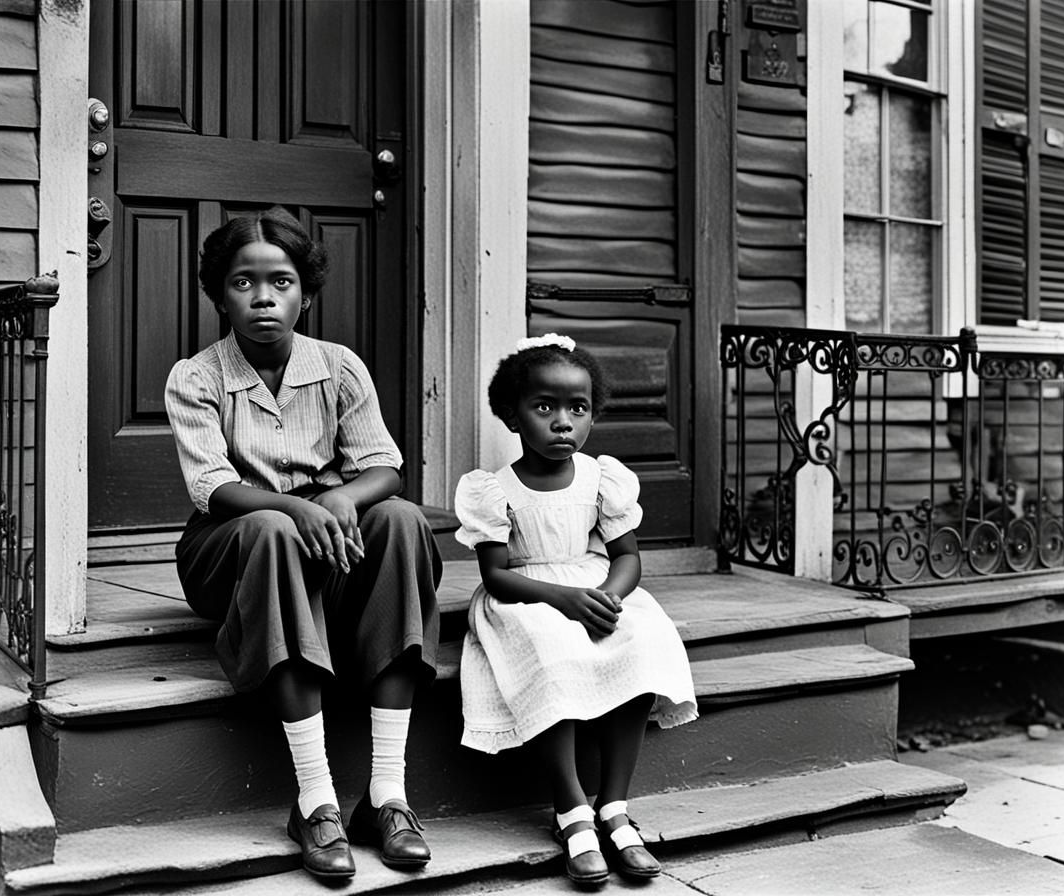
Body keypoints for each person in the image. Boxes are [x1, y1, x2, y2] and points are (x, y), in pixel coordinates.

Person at [164, 206, 441, 881]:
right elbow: (212, 488)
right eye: (243, 283)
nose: (263, 298)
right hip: (234, 547)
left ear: (306, 295)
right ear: (219, 296)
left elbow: (385, 465)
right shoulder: (196, 377)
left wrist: (342, 498)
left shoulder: (340, 367)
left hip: (325, 543)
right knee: (272, 528)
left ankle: (387, 794)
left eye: (281, 282)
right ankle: (316, 801)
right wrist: (294, 505)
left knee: (400, 519)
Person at [453, 334, 698, 886]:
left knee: (642, 640)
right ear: (511, 415)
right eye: (544, 408)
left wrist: (611, 594)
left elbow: (627, 557)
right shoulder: (494, 490)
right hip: (527, 595)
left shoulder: (602, 478)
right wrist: (563, 599)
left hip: (593, 586)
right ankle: (570, 809)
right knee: (552, 649)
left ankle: (614, 805)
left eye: (578, 409)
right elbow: (496, 575)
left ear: (592, 415)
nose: (563, 422)